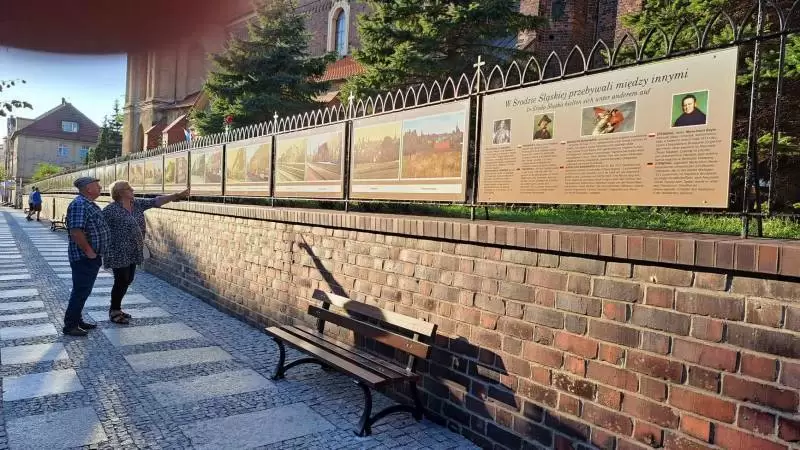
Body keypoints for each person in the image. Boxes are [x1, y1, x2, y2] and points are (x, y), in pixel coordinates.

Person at [102, 180, 189, 324]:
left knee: (128, 279)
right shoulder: (110, 210)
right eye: (129, 188)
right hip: (118, 251)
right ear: (121, 192)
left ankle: (117, 307)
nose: (133, 190)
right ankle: (114, 310)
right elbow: (100, 227)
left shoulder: (136, 204)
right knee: (121, 280)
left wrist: (176, 195)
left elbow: (156, 201)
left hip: (134, 249)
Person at [64, 176, 110, 337]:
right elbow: (76, 231)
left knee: (83, 290)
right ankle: (70, 325)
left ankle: (77, 320)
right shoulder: (80, 204)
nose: (100, 188)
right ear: (89, 189)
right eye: (97, 185)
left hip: (91, 256)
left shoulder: (88, 203)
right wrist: (89, 251)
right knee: (81, 291)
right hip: (84, 257)